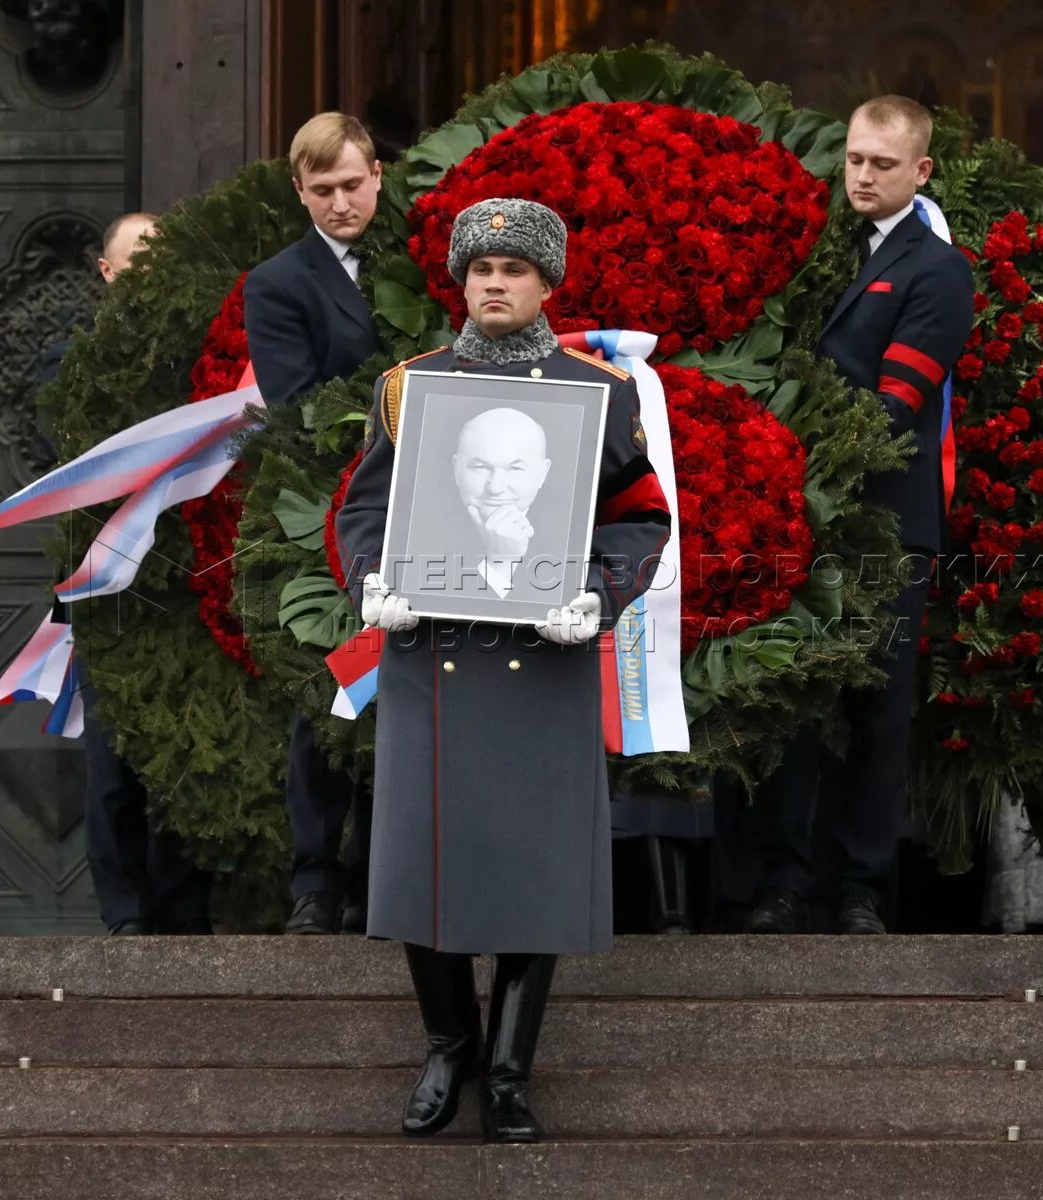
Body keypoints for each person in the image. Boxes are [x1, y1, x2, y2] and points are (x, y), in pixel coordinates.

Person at [335, 198, 670, 1143]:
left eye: (514, 269)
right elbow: (362, 511)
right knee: (420, 857)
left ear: (547, 283)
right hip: (430, 650)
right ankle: (449, 1047)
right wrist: (371, 582)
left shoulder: (598, 392)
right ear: (460, 278)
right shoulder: (412, 386)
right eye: (479, 268)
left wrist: (601, 594)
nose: (494, 282)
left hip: (545, 654)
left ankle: (513, 1071)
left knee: (537, 865)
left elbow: (642, 515)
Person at [743, 95, 974, 935]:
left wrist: (787, 461)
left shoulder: (938, 270)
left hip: (882, 522)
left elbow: (896, 405)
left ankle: (862, 890)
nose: (863, 175)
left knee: (876, 709)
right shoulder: (832, 251)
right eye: (854, 159)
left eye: (883, 162)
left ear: (922, 171)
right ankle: (786, 881)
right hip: (806, 520)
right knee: (798, 703)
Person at [46, 212, 214, 936]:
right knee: (112, 767)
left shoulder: (197, 357)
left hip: (184, 586)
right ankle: (124, 916)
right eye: (134, 264)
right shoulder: (69, 361)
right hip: (108, 590)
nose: (149, 277)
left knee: (185, 757)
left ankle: (181, 911)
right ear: (107, 274)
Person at [244, 113, 385, 934]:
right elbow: (295, 406)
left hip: (433, 502)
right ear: (300, 191)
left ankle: (381, 876)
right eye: (322, 190)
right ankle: (316, 881)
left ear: (378, 175)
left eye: (352, 184)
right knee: (328, 693)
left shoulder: (418, 258)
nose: (340, 203)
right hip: (327, 508)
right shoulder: (279, 282)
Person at [452, 407, 555, 601]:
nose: (496, 488)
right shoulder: (412, 538)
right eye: (481, 467)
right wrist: (499, 566)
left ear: (543, 473)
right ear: (457, 469)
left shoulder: (573, 539)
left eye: (515, 468)